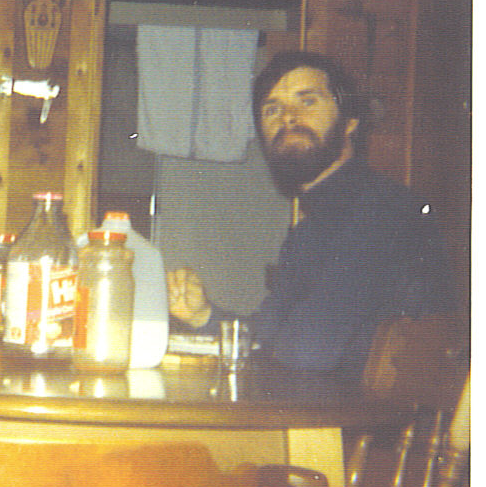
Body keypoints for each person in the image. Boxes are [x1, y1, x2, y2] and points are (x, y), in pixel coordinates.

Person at [166, 50, 453, 375]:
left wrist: (269, 344)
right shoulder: (309, 231)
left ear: (349, 122)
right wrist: (203, 316)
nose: (287, 117)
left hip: (375, 423)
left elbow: (307, 352)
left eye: (307, 101)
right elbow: (266, 333)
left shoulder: (384, 210)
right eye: (271, 109)